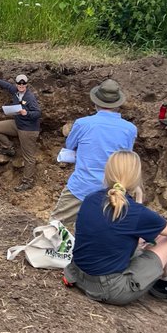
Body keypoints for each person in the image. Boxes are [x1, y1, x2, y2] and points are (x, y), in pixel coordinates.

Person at [64, 151, 167, 324]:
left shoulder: (91, 198)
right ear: (136, 176)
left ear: (108, 171)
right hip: (109, 288)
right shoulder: (135, 212)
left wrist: (147, 234)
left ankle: (166, 282)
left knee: (153, 239)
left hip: (78, 274)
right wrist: (152, 226)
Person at [52, 79, 136, 233]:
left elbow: (70, 147)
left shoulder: (82, 124)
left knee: (55, 227)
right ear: (118, 104)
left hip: (81, 187)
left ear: (96, 102)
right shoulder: (130, 129)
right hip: (111, 191)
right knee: (101, 232)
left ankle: (49, 256)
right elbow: (126, 158)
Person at [0, 70, 42, 190]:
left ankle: (27, 182)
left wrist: (26, 113)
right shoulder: (16, 91)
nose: (21, 86)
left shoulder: (30, 98)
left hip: (28, 130)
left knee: (29, 157)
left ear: (26, 84)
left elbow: (37, 113)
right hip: (18, 125)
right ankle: (9, 148)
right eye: (19, 84)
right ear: (16, 84)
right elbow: (7, 86)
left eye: (23, 84)